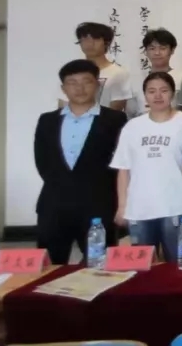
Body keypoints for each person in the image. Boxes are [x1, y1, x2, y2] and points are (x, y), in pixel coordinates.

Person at [34, 60, 127, 264]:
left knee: (100, 267)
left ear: (97, 85)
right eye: (72, 82)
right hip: (54, 205)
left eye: (86, 81)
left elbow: (121, 164)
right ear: (63, 88)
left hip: (100, 205)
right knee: (50, 266)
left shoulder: (115, 120)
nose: (80, 88)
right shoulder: (47, 120)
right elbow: (42, 161)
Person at [111, 72, 182, 260]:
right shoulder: (133, 127)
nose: (158, 96)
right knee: (142, 266)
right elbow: (124, 169)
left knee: (180, 263)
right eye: (151, 91)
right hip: (139, 208)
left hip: (177, 206)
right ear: (145, 95)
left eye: (164, 90)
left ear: (173, 93)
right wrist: (122, 206)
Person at [59, 22, 131, 112]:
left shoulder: (118, 73)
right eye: (85, 39)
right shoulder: (71, 72)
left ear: (106, 43)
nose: (89, 44)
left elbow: (116, 108)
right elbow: (62, 104)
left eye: (95, 39)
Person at [128, 28, 181, 118]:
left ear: (172, 50)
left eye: (163, 48)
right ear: (146, 51)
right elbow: (130, 112)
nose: (157, 53)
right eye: (152, 48)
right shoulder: (135, 80)